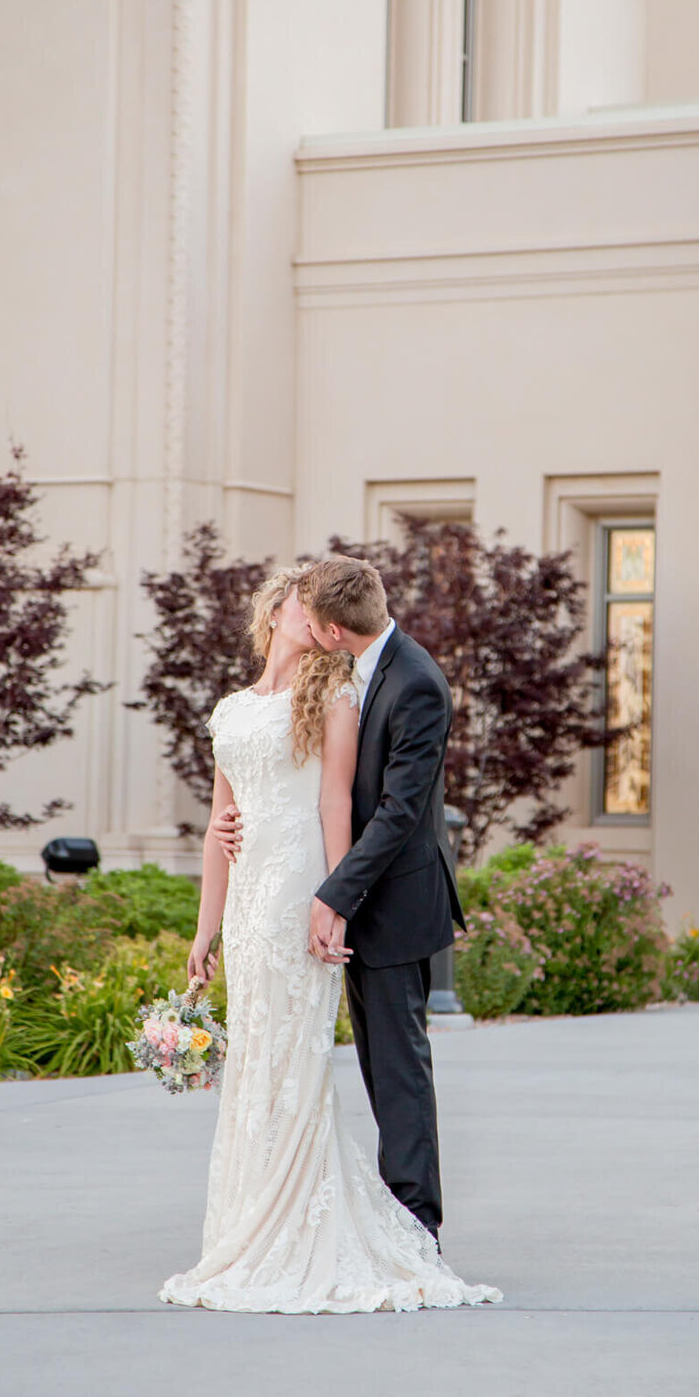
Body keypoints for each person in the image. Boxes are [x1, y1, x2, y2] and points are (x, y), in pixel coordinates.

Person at [158, 562, 498, 1314]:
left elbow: (383, 808)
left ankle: (413, 1235)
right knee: (265, 1061)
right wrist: (208, 916)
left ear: (331, 628)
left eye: (317, 611)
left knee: (394, 1070)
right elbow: (230, 810)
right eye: (299, 605)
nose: (310, 620)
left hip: (368, 894)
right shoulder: (257, 700)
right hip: (266, 897)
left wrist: (332, 897)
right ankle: (251, 1225)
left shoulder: (402, 682)